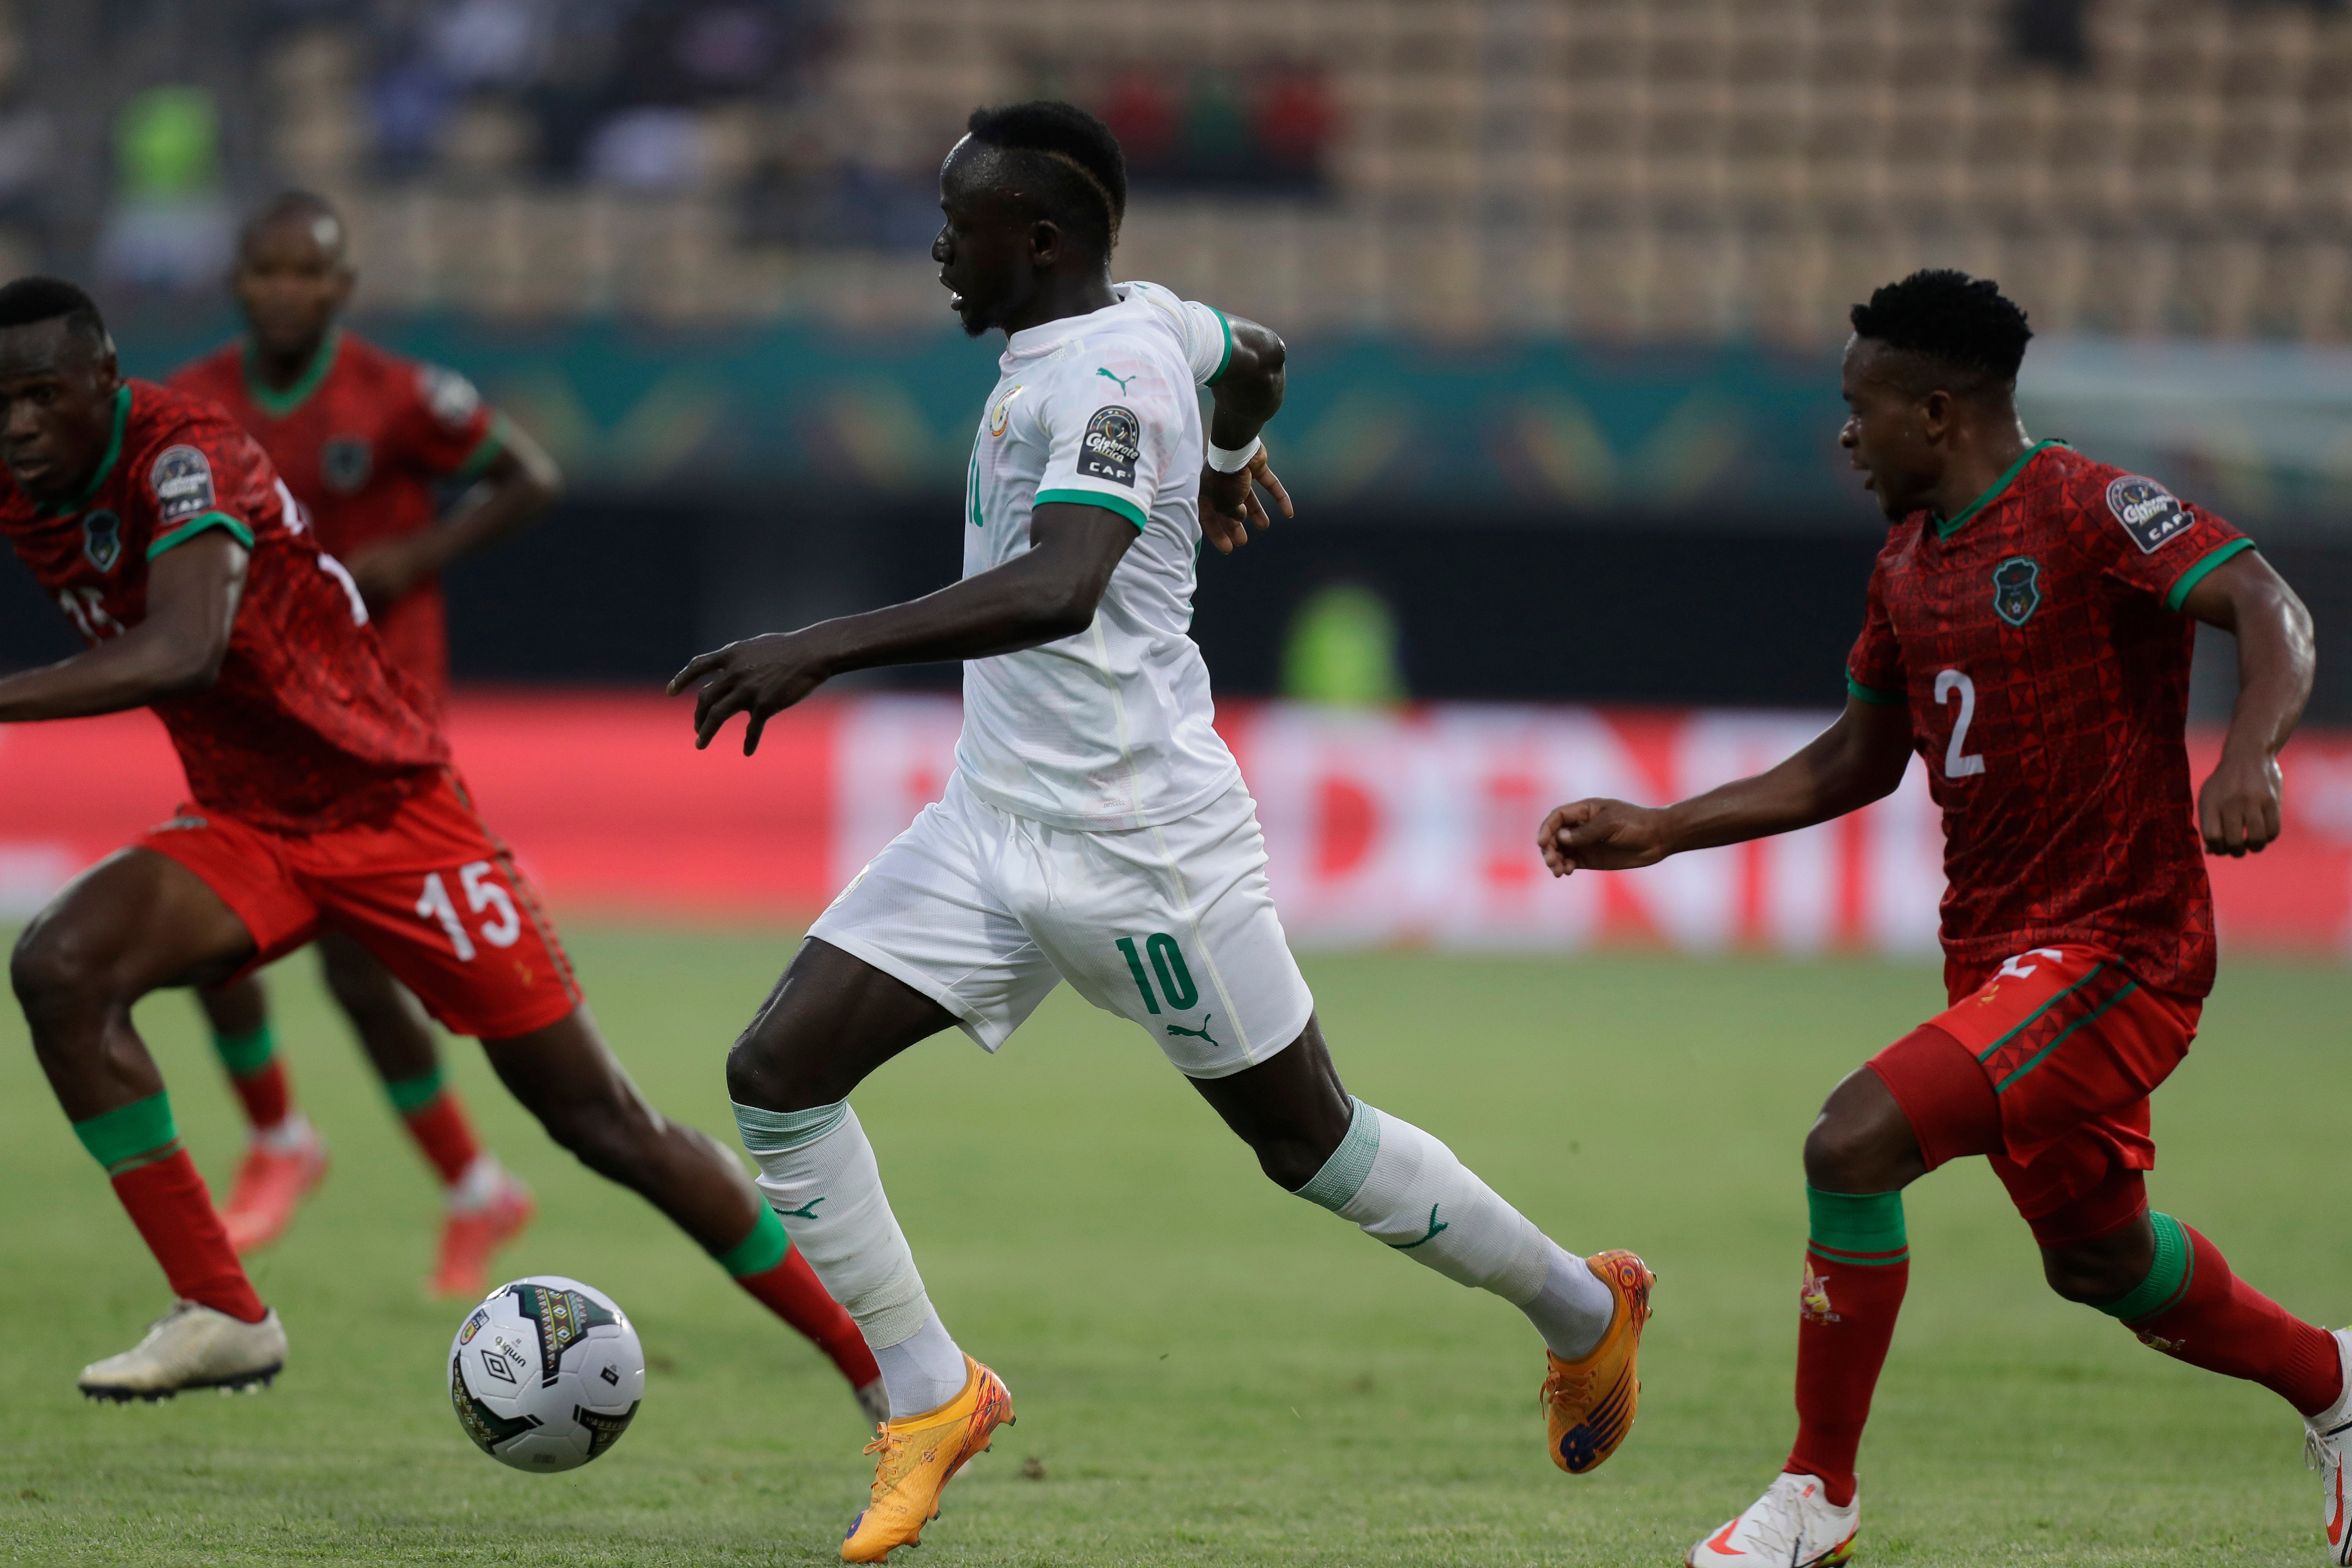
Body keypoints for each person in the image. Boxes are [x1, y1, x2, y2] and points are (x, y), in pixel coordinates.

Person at [671, 101, 1655, 1565]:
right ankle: (930, 1394)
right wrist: (1232, 447)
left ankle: (1586, 1305)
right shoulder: (1156, 329)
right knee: (778, 1073)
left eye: (960, 225)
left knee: (1310, 1142)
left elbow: (1062, 581)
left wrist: (816, 647)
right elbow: (1253, 347)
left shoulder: (1113, 370)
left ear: (1042, 238)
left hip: (1140, 845)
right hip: (992, 823)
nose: (939, 249)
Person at [1536, 269, 2343, 1568]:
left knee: (1852, 1141)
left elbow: (2272, 608)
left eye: (1862, 409)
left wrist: (2251, 753)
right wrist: (1663, 827)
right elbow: (1855, 761)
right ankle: (2337, 1384)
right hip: (2000, 963)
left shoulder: (2088, 507)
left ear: (1939, 408)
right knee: (2098, 1261)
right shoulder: (1907, 563)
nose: (1844, 436)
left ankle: (1818, 1495)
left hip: (2119, 947)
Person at [0, 276, 884, 1422]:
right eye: (0, 402)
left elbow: (184, 648)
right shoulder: (25, 477)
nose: (18, 423)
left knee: (601, 1123)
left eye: (41, 396)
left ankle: (881, 1370)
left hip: (394, 815)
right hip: (249, 819)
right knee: (61, 966)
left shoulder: (183, 456)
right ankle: (224, 1312)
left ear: (104, 386)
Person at [168, 191, 553, 1293]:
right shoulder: (194, 403)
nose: (287, 290)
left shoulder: (397, 398)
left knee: (362, 962)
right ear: (239, 282)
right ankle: (309, 1144)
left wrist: (416, 554)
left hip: (380, 719)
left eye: (309, 273)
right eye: (267, 270)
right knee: (202, 913)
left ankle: (463, 1180)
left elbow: (532, 475)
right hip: (261, 714)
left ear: (342, 289)